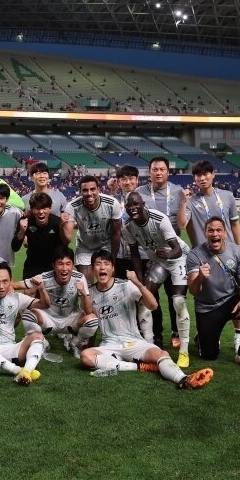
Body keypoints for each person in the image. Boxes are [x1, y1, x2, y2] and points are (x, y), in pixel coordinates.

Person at [82, 251, 213, 390]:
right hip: (109, 344)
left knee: (162, 354)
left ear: (113, 268)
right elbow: (89, 319)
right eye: (98, 264)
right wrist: (84, 295)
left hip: (133, 342)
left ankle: (184, 379)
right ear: (92, 269)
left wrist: (138, 283)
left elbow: (153, 305)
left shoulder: (126, 285)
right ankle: (139, 366)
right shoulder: (90, 293)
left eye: (106, 264)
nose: (102, 267)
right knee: (86, 356)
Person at [122, 192, 192, 368]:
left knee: (178, 301)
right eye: (129, 206)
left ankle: (184, 351)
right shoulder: (128, 227)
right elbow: (135, 255)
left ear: (143, 204)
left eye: (136, 204)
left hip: (178, 258)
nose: (132, 208)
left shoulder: (159, 219)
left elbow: (177, 248)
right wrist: (140, 282)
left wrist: (168, 254)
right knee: (144, 300)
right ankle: (148, 346)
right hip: (158, 261)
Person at [187, 217, 240, 370]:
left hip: (230, 300)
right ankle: (202, 338)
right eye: (211, 230)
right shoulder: (195, 255)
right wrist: (200, 278)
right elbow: (193, 291)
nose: (215, 234)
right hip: (208, 307)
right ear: (205, 233)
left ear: (225, 233)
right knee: (209, 355)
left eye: (218, 230)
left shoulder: (237, 251)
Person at [137, 156, 190, 350]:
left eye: (162, 169)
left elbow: (183, 224)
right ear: (149, 172)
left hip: (175, 252)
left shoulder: (177, 192)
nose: (158, 172)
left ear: (168, 172)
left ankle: (176, 332)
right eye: (154, 169)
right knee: (152, 296)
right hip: (152, 253)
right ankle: (156, 334)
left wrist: (184, 202)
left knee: (174, 295)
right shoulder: (140, 192)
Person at [0, 263, 47, 385]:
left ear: (11, 281)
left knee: (38, 336)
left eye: (5, 282)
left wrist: (41, 289)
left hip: (11, 349)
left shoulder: (17, 298)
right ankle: (17, 370)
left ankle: (26, 371)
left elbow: (45, 304)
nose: (1, 286)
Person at [18, 246, 98, 357]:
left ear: (73, 265)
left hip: (70, 319)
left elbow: (88, 311)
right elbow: (18, 284)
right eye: (60, 264)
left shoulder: (79, 278)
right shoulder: (45, 277)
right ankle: (42, 342)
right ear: (53, 266)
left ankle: (75, 344)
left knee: (92, 320)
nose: (64, 268)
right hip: (48, 319)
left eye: (68, 263)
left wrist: (84, 294)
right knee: (27, 315)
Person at [68, 175, 122, 281]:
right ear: (79, 191)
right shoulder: (72, 206)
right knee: (86, 283)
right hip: (85, 247)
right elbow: (67, 237)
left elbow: (116, 233)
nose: (89, 193)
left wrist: (113, 259)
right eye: (85, 190)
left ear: (98, 189)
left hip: (106, 245)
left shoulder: (112, 204)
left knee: (108, 283)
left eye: (93, 189)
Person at [13, 192, 73, 280]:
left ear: (50, 208)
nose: (41, 212)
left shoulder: (57, 222)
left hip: (53, 266)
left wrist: (62, 226)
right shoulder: (26, 221)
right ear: (32, 209)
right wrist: (22, 231)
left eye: (44, 208)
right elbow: (15, 247)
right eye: (37, 208)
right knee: (29, 292)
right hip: (33, 265)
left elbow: (66, 242)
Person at [186, 160, 240, 249]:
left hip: (228, 251)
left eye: (205, 174)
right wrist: (182, 202)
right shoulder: (190, 201)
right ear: (194, 178)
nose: (202, 178)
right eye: (198, 175)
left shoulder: (227, 196)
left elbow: (235, 224)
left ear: (213, 174)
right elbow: (182, 225)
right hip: (203, 253)